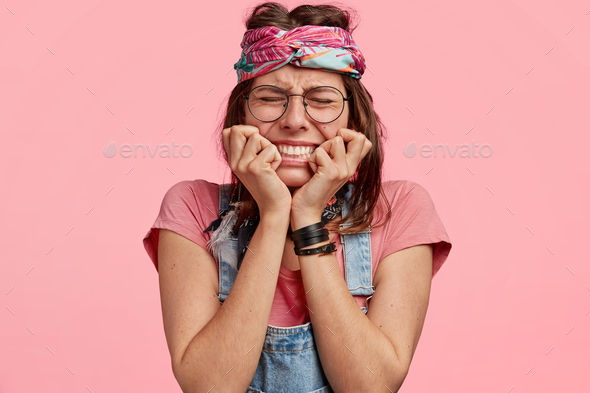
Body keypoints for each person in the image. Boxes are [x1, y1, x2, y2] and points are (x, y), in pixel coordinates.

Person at [143, 2, 452, 392]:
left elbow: (369, 387)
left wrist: (306, 216)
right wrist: (274, 215)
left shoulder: (399, 210)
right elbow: (209, 387)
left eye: (321, 100)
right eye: (271, 97)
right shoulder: (191, 206)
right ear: (242, 115)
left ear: (354, 119)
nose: (294, 119)